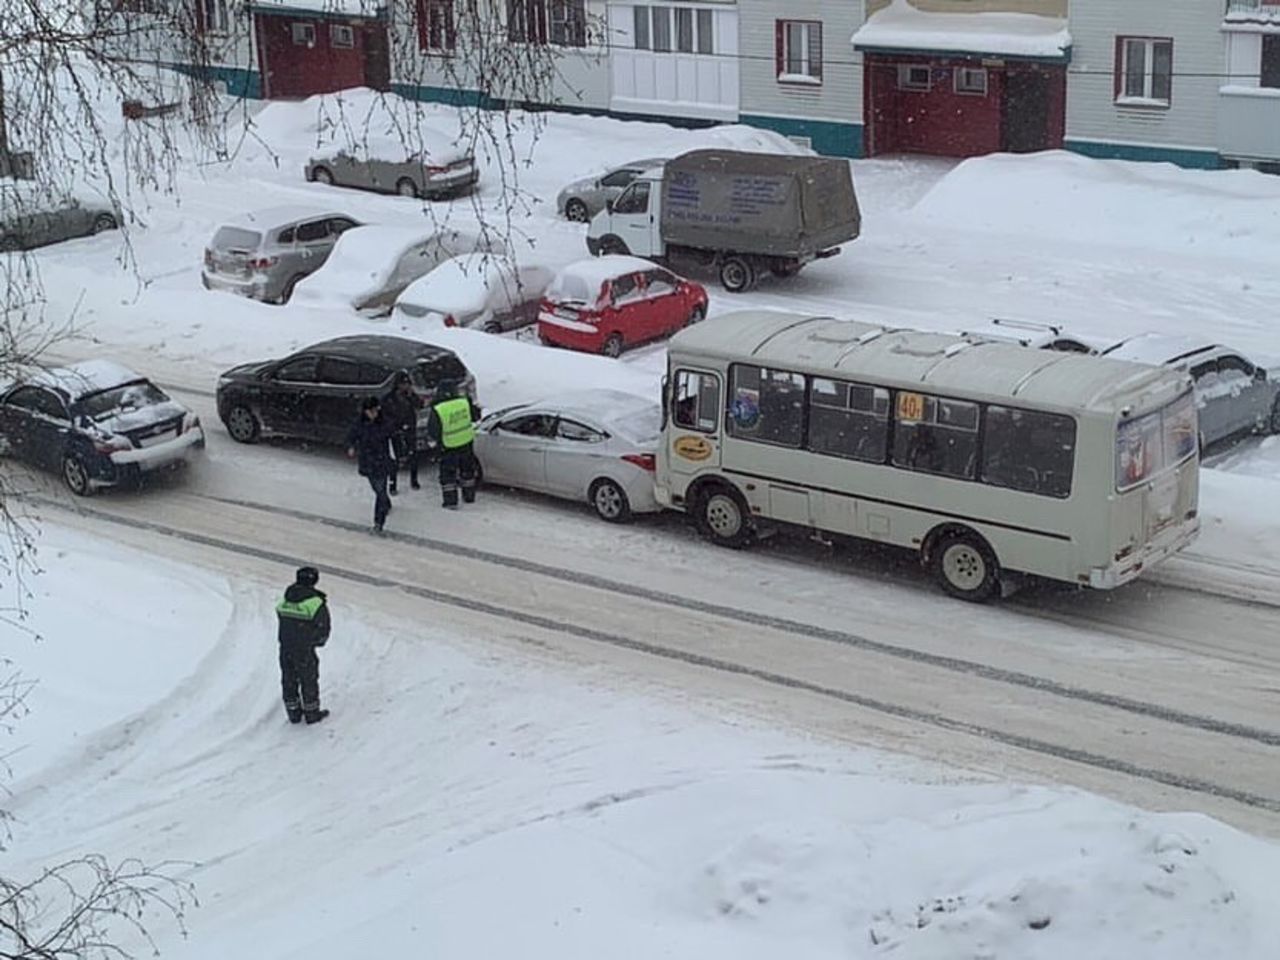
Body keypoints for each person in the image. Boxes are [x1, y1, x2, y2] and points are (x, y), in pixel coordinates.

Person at [276, 566, 331, 725]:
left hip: (286, 646)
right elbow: (323, 629)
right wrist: (315, 642)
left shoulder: (286, 599)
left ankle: (293, 713)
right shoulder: (315, 603)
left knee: (289, 679)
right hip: (304, 649)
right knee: (309, 679)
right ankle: (311, 713)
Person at [426, 380, 482, 508]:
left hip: (449, 446)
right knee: (467, 471)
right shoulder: (464, 402)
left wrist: (438, 443)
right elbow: (476, 416)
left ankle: (451, 501)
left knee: (448, 475)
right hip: (466, 442)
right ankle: (469, 496)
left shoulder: (438, 409)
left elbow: (433, 431)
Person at [346, 396, 395, 532]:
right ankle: (386, 502)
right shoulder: (359, 424)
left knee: (380, 490)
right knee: (377, 488)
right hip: (367, 461)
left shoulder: (385, 423)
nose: (373, 414)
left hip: (381, 461)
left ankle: (379, 522)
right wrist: (351, 446)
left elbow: (394, 437)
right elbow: (351, 436)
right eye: (370, 411)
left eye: (375, 411)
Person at [383, 372, 424, 496]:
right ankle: (393, 484)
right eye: (403, 384)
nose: (405, 386)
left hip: (409, 429)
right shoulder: (389, 398)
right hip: (396, 431)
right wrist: (394, 426)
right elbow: (385, 415)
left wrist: (412, 396)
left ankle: (414, 480)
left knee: (413, 455)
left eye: (407, 384)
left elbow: (420, 405)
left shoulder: (410, 396)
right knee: (395, 459)